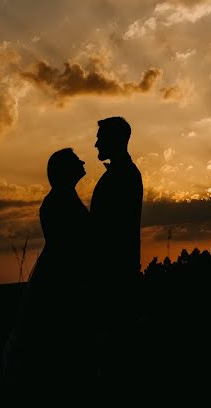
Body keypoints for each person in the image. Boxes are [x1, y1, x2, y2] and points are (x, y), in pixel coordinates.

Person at [0, 148, 91, 396]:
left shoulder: (64, 197)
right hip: (61, 275)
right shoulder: (59, 200)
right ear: (65, 170)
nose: (83, 162)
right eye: (75, 161)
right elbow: (69, 243)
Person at [90, 116, 143, 330]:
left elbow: (113, 227)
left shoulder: (124, 174)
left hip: (114, 272)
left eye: (100, 138)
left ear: (114, 140)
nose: (96, 144)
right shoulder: (123, 172)